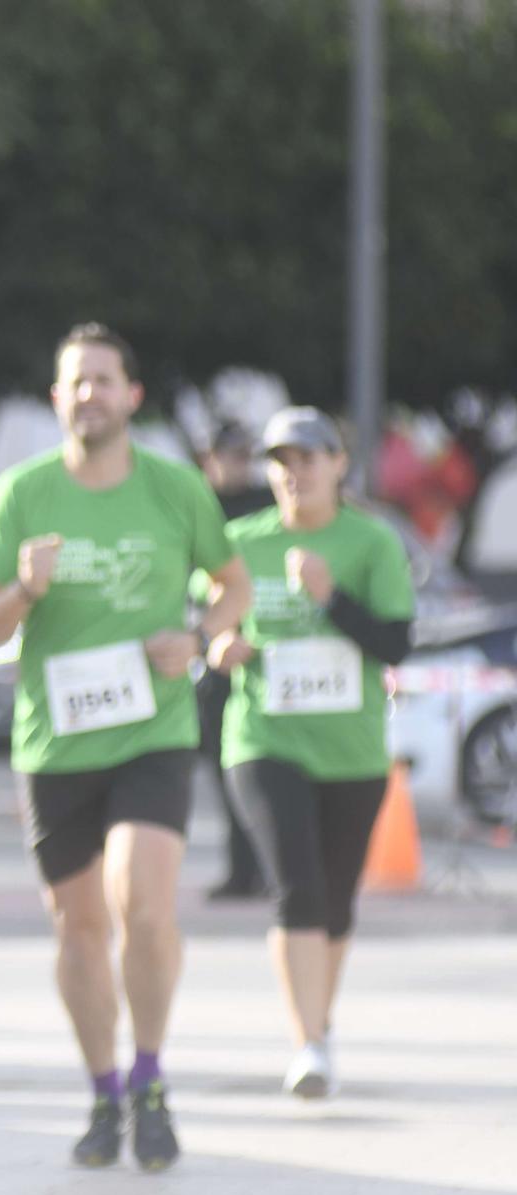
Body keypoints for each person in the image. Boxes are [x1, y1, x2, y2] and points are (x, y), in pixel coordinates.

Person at [0, 324, 251, 1172]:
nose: (89, 393)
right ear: (57, 399)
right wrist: (24, 589)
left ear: (132, 395)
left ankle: (153, 1076)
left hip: (153, 731)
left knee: (145, 903)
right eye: (74, 381)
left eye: (103, 380)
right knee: (80, 928)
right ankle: (103, 1091)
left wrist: (197, 634)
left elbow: (232, 583)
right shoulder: (21, 492)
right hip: (55, 745)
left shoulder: (174, 490)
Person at [205, 407, 414, 1099]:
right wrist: (219, 647)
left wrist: (330, 599)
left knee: (336, 900)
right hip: (263, 736)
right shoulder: (238, 540)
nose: (293, 473)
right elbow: (209, 623)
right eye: (279, 460)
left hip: (351, 749)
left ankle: (318, 1024)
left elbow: (395, 644)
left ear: (338, 465)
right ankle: (308, 1043)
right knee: (295, 886)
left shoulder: (371, 541)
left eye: (307, 458)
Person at [195, 422, 276, 902]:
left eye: (246, 456)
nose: (239, 465)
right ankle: (240, 870)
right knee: (225, 771)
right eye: (231, 455)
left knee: (260, 769)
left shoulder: (263, 505)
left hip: (257, 657)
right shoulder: (198, 507)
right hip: (209, 659)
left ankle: (267, 868)